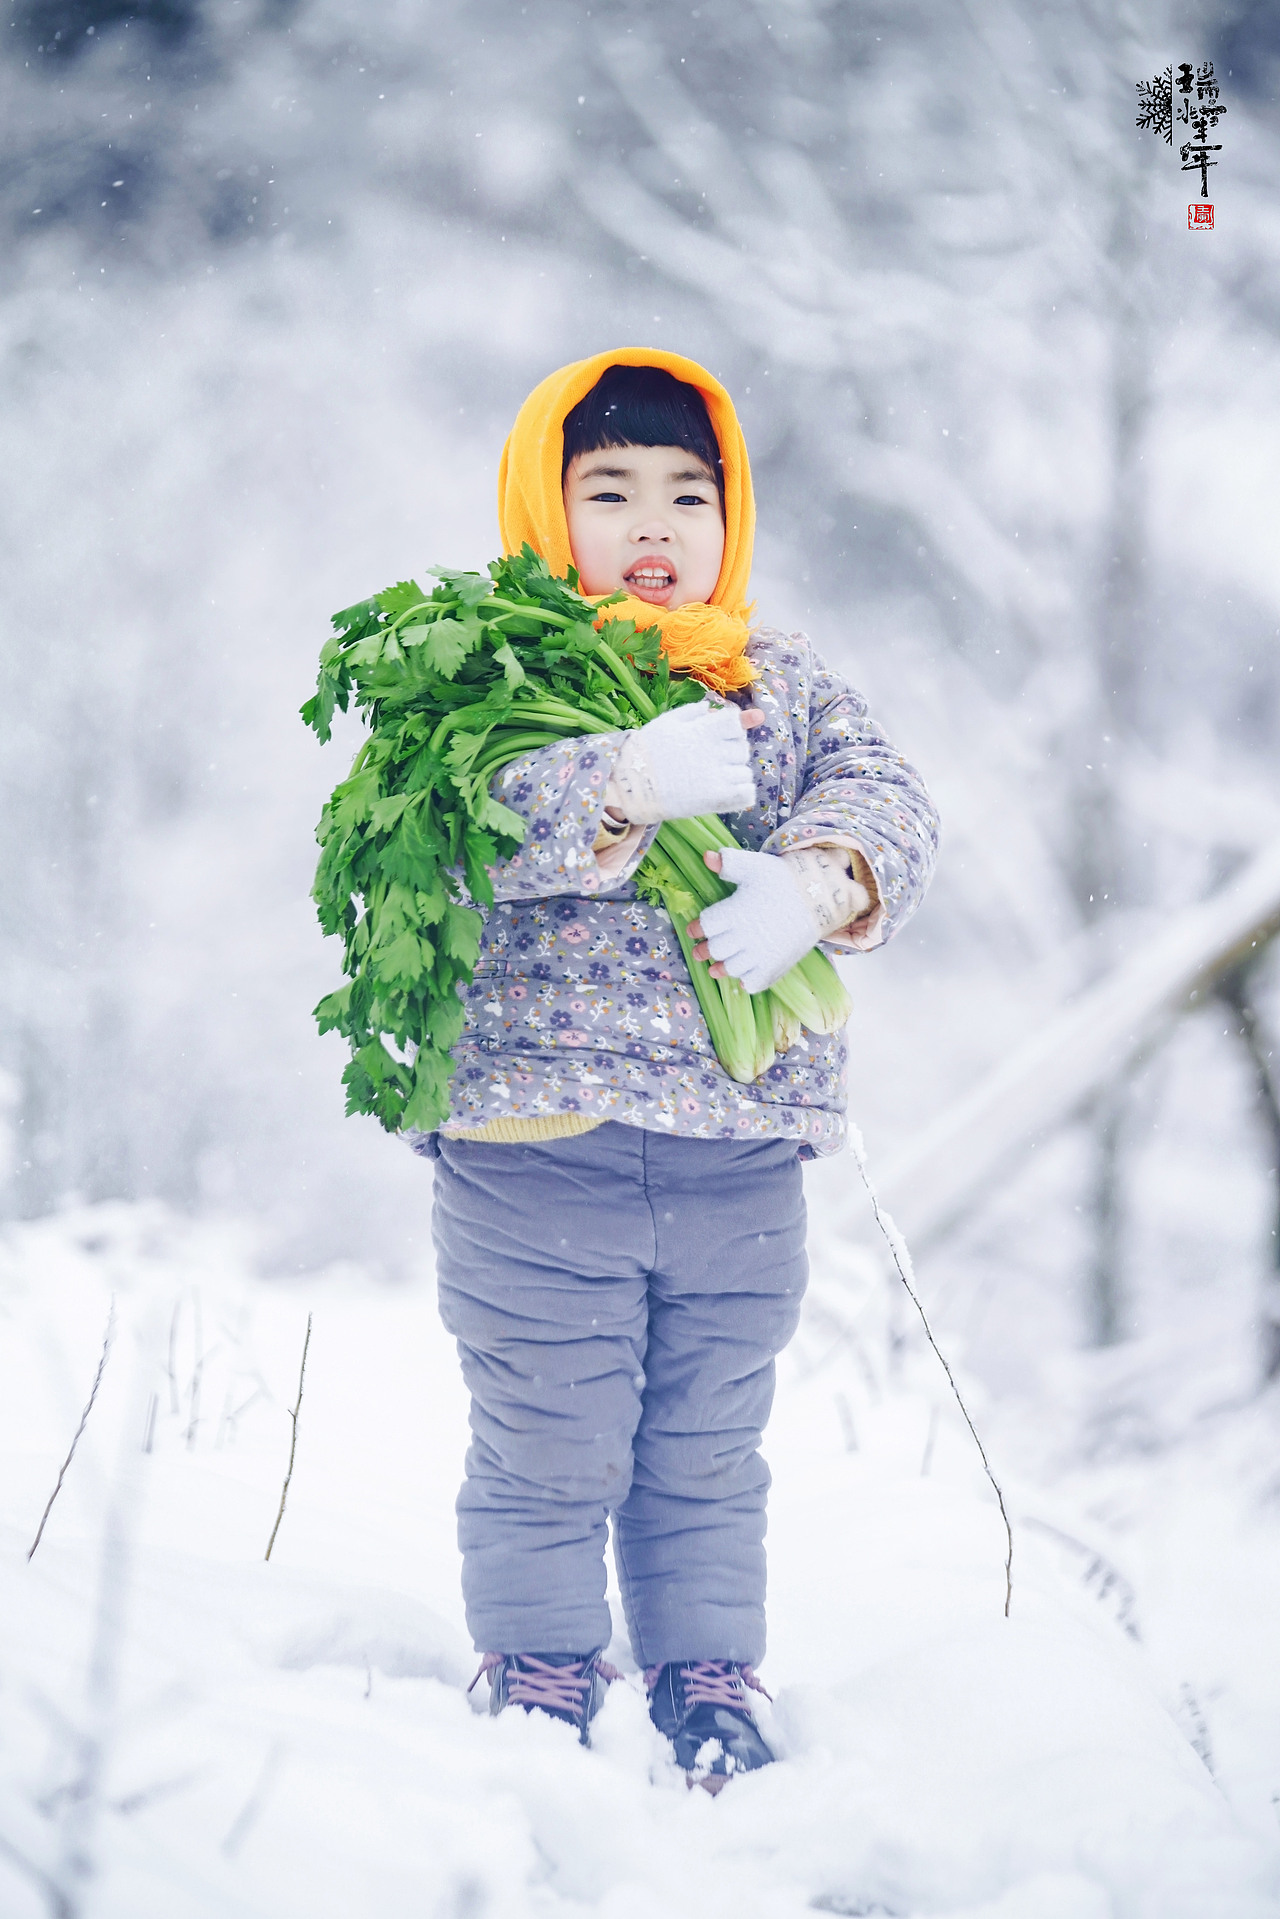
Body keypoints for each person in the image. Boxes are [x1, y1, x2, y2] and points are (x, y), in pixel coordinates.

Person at [417, 348, 938, 1790]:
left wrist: (822, 881)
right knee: (548, 1432)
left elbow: (890, 793)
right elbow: (460, 832)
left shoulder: (779, 678)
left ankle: (707, 1672)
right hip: (537, 1145)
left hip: (739, 1149)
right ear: (546, 509)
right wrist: (621, 784)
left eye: (687, 494)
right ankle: (539, 1663)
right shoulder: (493, 669)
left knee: (708, 1441)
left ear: (732, 514)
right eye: (609, 492)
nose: (654, 523)